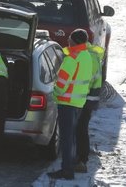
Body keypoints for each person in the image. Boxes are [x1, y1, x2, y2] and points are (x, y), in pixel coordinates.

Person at [48, 28, 96, 181]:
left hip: (66, 102)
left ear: (74, 41)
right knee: (72, 137)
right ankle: (71, 165)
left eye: (70, 38)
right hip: (78, 102)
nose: (68, 40)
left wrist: (55, 93)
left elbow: (62, 82)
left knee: (66, 139)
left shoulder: (72, 58)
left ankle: (67, 170)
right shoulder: (86, 57)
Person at [76, 41, 106, 172]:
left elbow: (81, 80)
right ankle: (82, 158)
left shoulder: (84, 57)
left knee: (79, 130)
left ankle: (81, 160)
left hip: (81, 99)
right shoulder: (93, 55)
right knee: (82, 129)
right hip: (90, 99)